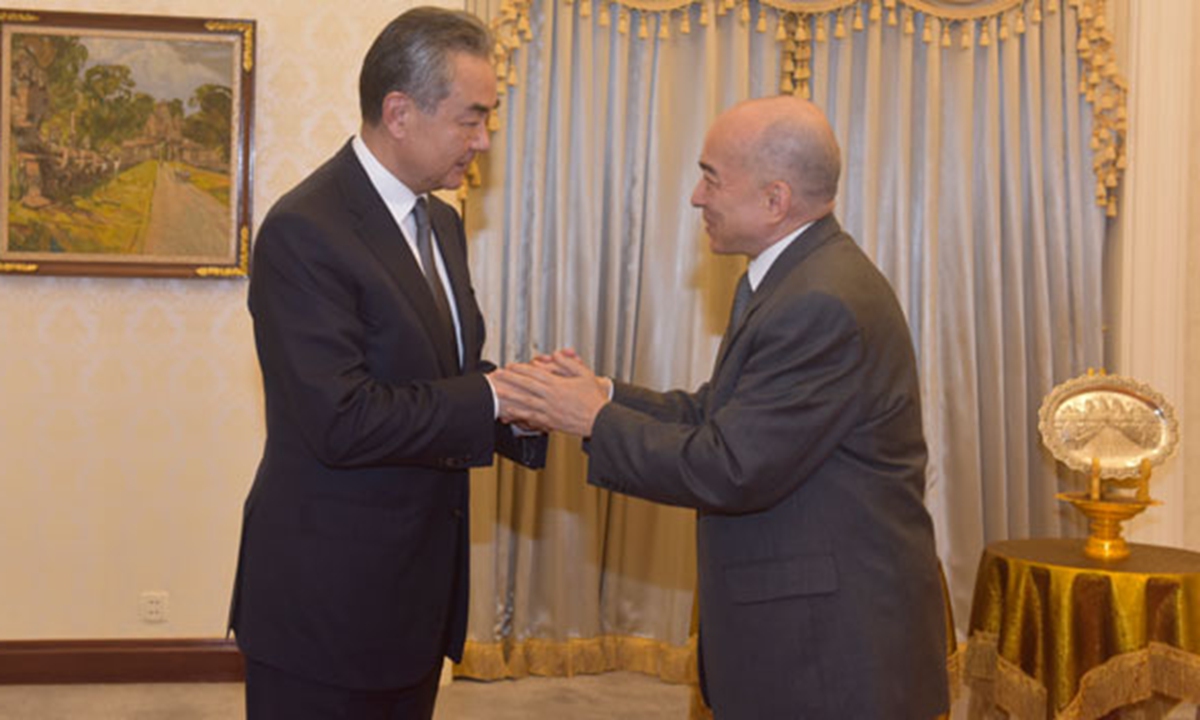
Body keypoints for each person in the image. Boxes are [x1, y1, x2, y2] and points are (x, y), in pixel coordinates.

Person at [495, 96, 949, 718]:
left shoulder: (821, 302)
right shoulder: (795, 277)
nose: (695, 197)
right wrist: (602, 393)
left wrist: (590, 419)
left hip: (830, 646)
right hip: (808, 628)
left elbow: (731, 466)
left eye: (712, 177)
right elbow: (721, 413)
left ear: (775, 199)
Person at [228, 8, 545, 719]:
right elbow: (342, 419)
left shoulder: (441, 221)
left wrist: (525, 398)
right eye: (471, 118)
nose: (484, 140)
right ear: (399, 112)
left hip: (412, 596)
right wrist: (490, 397)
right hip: (327, 605)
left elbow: (436, 379)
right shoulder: (306, 230)